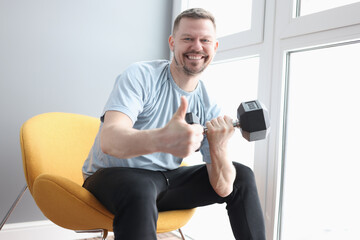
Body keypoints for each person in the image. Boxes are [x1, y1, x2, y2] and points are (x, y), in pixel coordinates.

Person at [82, 8, 266, 240]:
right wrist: (163, 138)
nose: (197, 47)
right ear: (172, 43)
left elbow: (224, 188)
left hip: (165, 179)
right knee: (140, 188)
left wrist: (218, 148)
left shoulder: (208, 104)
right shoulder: (141, 75)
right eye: (188, 38)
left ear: (215, 47)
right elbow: (110, 140)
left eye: (205, 40)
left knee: (242, 176)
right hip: (111, 177)